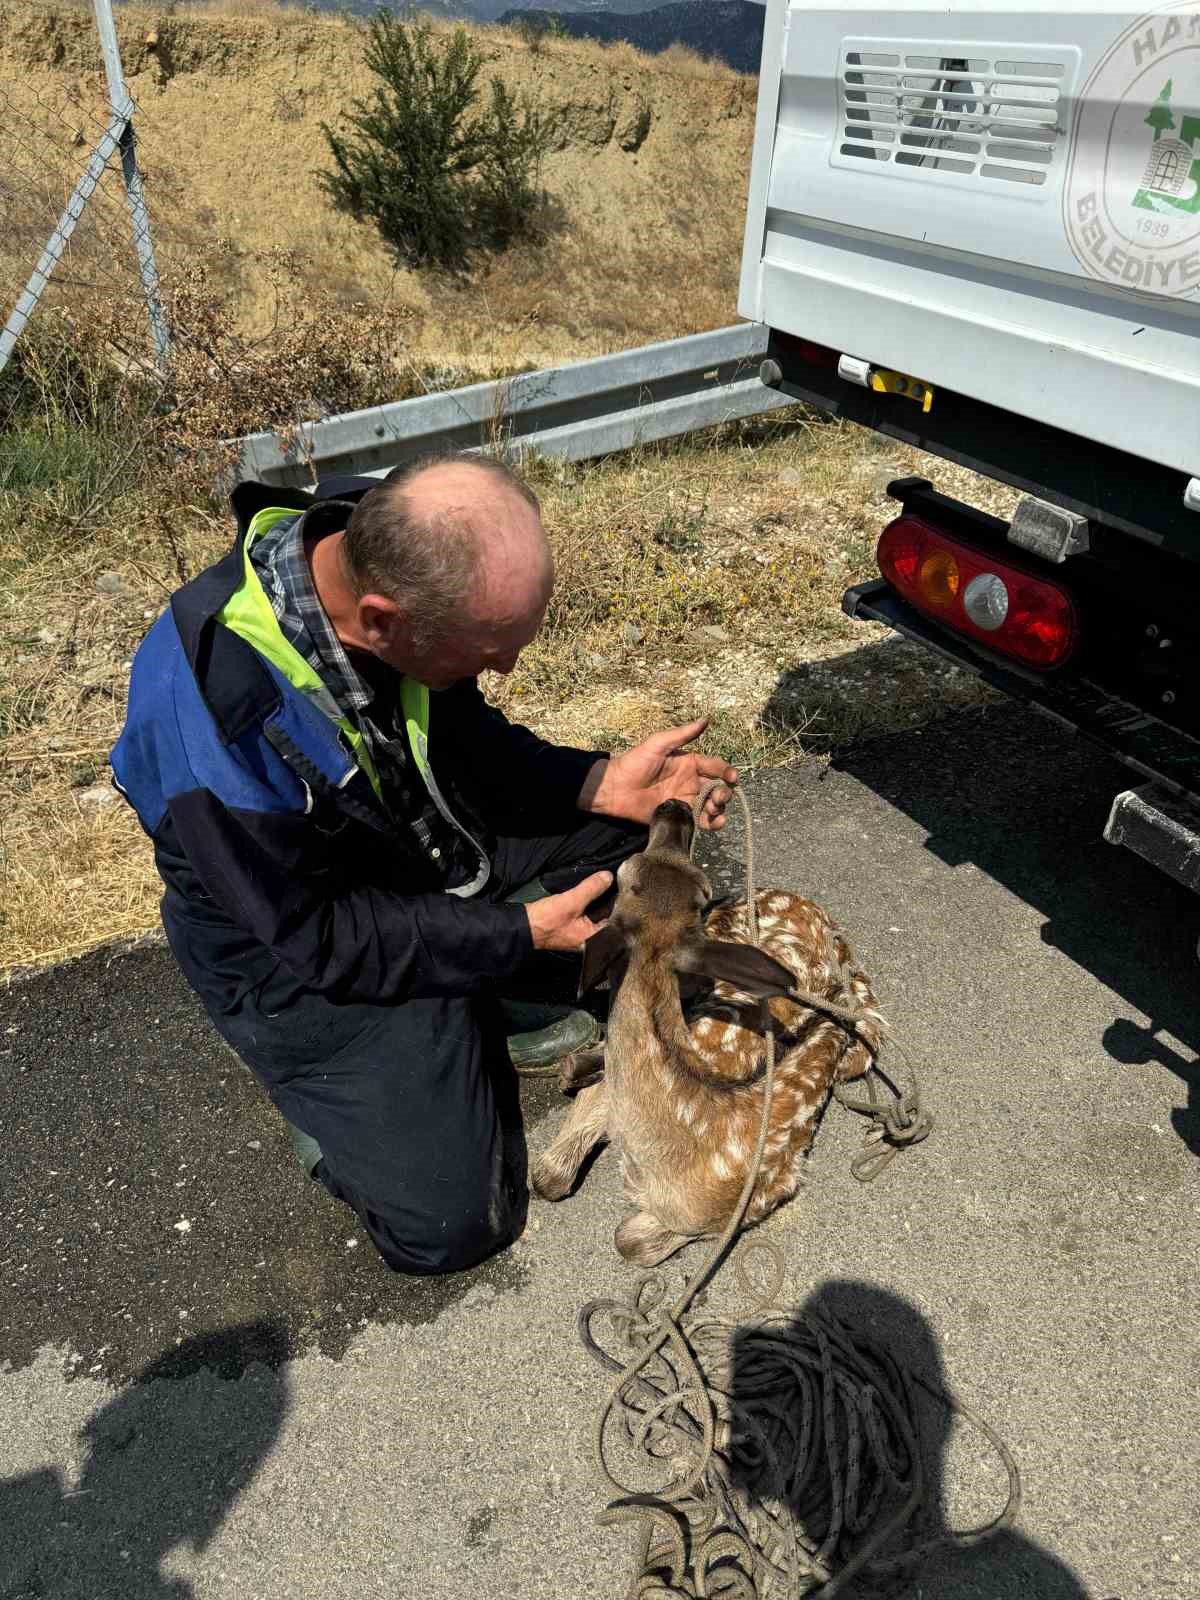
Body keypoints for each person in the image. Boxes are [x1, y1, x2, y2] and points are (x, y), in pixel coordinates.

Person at [111, 455, 737, 1275]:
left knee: (648, 853)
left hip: (408, 840)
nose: (504, 670)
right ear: (382, 619)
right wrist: (512, 935)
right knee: (451, 1222)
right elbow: (322, 935)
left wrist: (600, 782)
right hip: (295, 936)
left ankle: (488, 995)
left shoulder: (371, 547)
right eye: (489, 653)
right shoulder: (218, 733)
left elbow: (463, 742)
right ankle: (333, 1100)